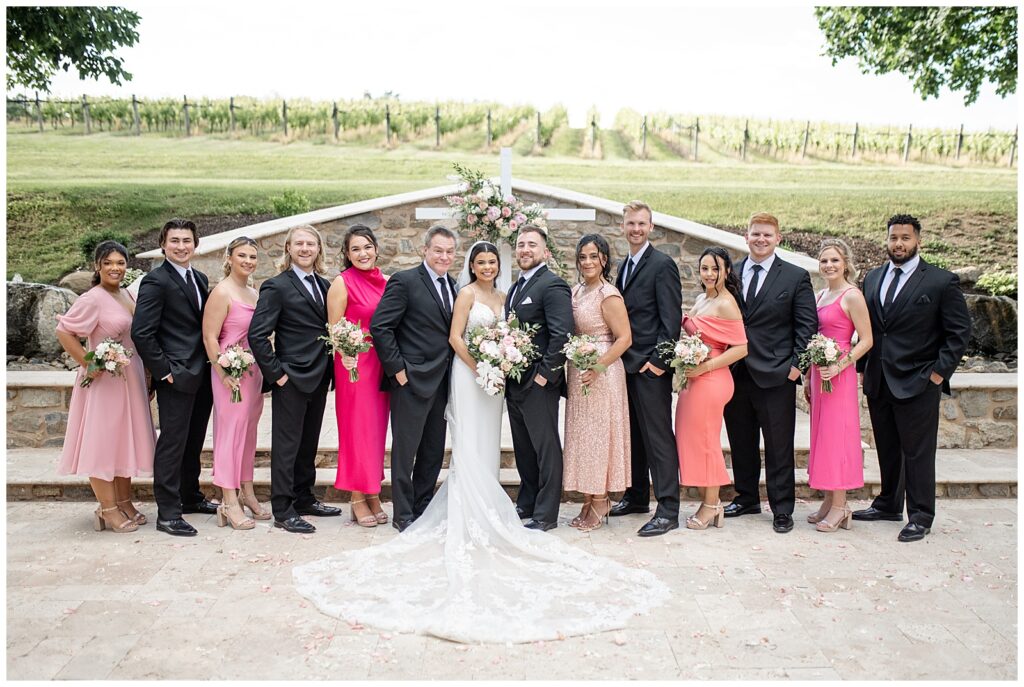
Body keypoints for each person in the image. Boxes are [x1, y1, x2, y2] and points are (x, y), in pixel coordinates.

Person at [291, 242, 668, 644]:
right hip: (467, 376)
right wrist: (475, 368)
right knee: (443, 442)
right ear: (469, 264)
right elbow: (453, 337)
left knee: (491, 442)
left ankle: (498, 504)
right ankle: (427, 508)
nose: (486, 265)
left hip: (497, 379)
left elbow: (529, 334)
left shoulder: (506, 296)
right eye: (479, 260)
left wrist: (501, 366)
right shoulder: (464, 292)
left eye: (492, 260)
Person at [853, 214, 970, 542]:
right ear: (887, 240)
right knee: (887, 447)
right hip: (879, 378)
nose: (898, 244)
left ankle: (920, 515)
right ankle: (889, 503)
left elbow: (959, 333)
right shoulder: (873, 278)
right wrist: (864, 370)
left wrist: (937, 374)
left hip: (919, 380)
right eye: (893, 238)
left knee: (918, 453)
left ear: (918, 240)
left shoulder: (939, 281)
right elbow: (872, 330)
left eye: (905, 238)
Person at [723, 212, 817, 534]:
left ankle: (781, 508)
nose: (760, 239)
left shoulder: (795, 276)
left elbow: (807, 326)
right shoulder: (731, 272)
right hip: (736, 372)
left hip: (777, 375)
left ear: (778, 238)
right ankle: (746, 497)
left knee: (778, 446)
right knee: (740, 440)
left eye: (767, 235)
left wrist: (796, 368)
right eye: (755, 234)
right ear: (745, 236)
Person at [57, 240, 156, 533]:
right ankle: (108, 508)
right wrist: (90, 363)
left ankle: (124, 501)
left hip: (131, 377)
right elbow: (65, 332)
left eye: (120, 263)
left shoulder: (126, 294)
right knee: (104, 444)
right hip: (105, 384)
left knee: (124, 441)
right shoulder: (92, 298)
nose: (115, 268)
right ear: (97, 266)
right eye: (109, 263)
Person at [248, 225, 341, 534]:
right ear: (288, 248)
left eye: (310, 244)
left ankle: (304, 497)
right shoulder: (276, 286)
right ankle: (283, 508)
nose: (305, 248)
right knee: (286, 446)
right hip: (291, 378)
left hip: (319, 376)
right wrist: (278, 376)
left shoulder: (327, 285)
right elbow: (258, 335)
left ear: (318, 249)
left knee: (308, 443)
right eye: (299, 243)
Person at [132, 219, 218, 536]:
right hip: (176, 376)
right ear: (163, 244)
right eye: (174, 241)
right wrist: (164, 370)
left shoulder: (199, 277)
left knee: (193, 441)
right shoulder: (156, 281)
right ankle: (168, 512)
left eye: (186, 240)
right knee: (172, 443)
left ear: (195, 244)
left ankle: (190, 496)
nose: (181, 246)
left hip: (202, 374)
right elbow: (142, 333)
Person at [370, 225, 458, 532]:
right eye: (438, 250)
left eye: (449, 251)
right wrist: (398, 370)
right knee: (406, 451)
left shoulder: (455, 286)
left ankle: (423, 507)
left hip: (443, 383)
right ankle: (403, 513)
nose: (443, 256)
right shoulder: (405, 281)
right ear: (425, 250)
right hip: (410, 382)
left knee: (433, 450)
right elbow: (381, 327)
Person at [609, 201, 683, 537]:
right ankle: (637, 496)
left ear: (651, 227)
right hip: (627, 367)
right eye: (630, 223)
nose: (636, 229)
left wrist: (658, 363)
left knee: (658, 439)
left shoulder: (662, 265)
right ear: (622, 226)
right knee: (634, 437)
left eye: (641, 224)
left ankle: (668, 509)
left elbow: (670, 321)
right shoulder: (624, 265)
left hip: (650, 368)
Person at [504, 225, 574, 531]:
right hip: (515, 382)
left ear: (545, 251)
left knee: (545, 448)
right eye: (521, 244)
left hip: (538, 383)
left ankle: (546, 515)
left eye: (532, 244)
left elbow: (562, 335)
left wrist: (544, 377)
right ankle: (527, 501)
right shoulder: (515, 287)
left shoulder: (553, 285)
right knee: (524, 448)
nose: (525, 249)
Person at [562, 234, 632, 532]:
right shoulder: (576, 291)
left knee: (600, 437)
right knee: (584, 437)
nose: (588, 262)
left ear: (604, 258)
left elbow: (625, 338)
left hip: (603, 374)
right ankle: (589, 497)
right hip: (580, 371)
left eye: (594, 256)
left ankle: (602, 498)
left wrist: (599, 367)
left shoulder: (608, 294)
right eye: (583, 257)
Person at [675, 247, 748, 530]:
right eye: (704, 268)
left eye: (715, 269)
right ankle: (708, 500)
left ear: (726, 271)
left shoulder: (726, 303)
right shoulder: (703, 298)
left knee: (706, 441)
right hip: (694, 378)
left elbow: (741, 348)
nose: (709, 274)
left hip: (712, 378)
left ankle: (712, 504)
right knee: (692, 437)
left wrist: (705, 367)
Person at [804, 239, 873, 533]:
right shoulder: (820, 295)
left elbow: (867, 340)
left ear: (845, 262)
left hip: (840, 374)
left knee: (838, 437)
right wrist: (809, 376)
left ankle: (842, 506)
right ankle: (829, 500)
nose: (829, 266)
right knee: (822, 436)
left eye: (834, 260)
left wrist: (840, 365)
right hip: (820, 374)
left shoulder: (852, 296)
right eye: (824, 261)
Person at [201, 236, 268, 530]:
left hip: (252, 372)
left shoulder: (253, 292)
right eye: (242, 255)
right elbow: (210, 337)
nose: (248, 261)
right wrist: (224, 373)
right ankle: (228, 501)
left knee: (248, 433)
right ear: (229, 258)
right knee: (230, 434)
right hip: (229, 373)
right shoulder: (221, 292)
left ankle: (247, 492)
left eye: (253, 256)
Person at [326, 225, 390, 527]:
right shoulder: (342, 283)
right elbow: (334, 329)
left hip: (381, 365)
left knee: (376, 432)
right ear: (347, 254)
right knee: (356, 430)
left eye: (367, 247)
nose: (362, 253)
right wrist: (346, 353)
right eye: (355, 249)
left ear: (376, 248)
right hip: (354, 365)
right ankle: (356, 497)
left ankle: (372, 491)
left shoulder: (388, 282)